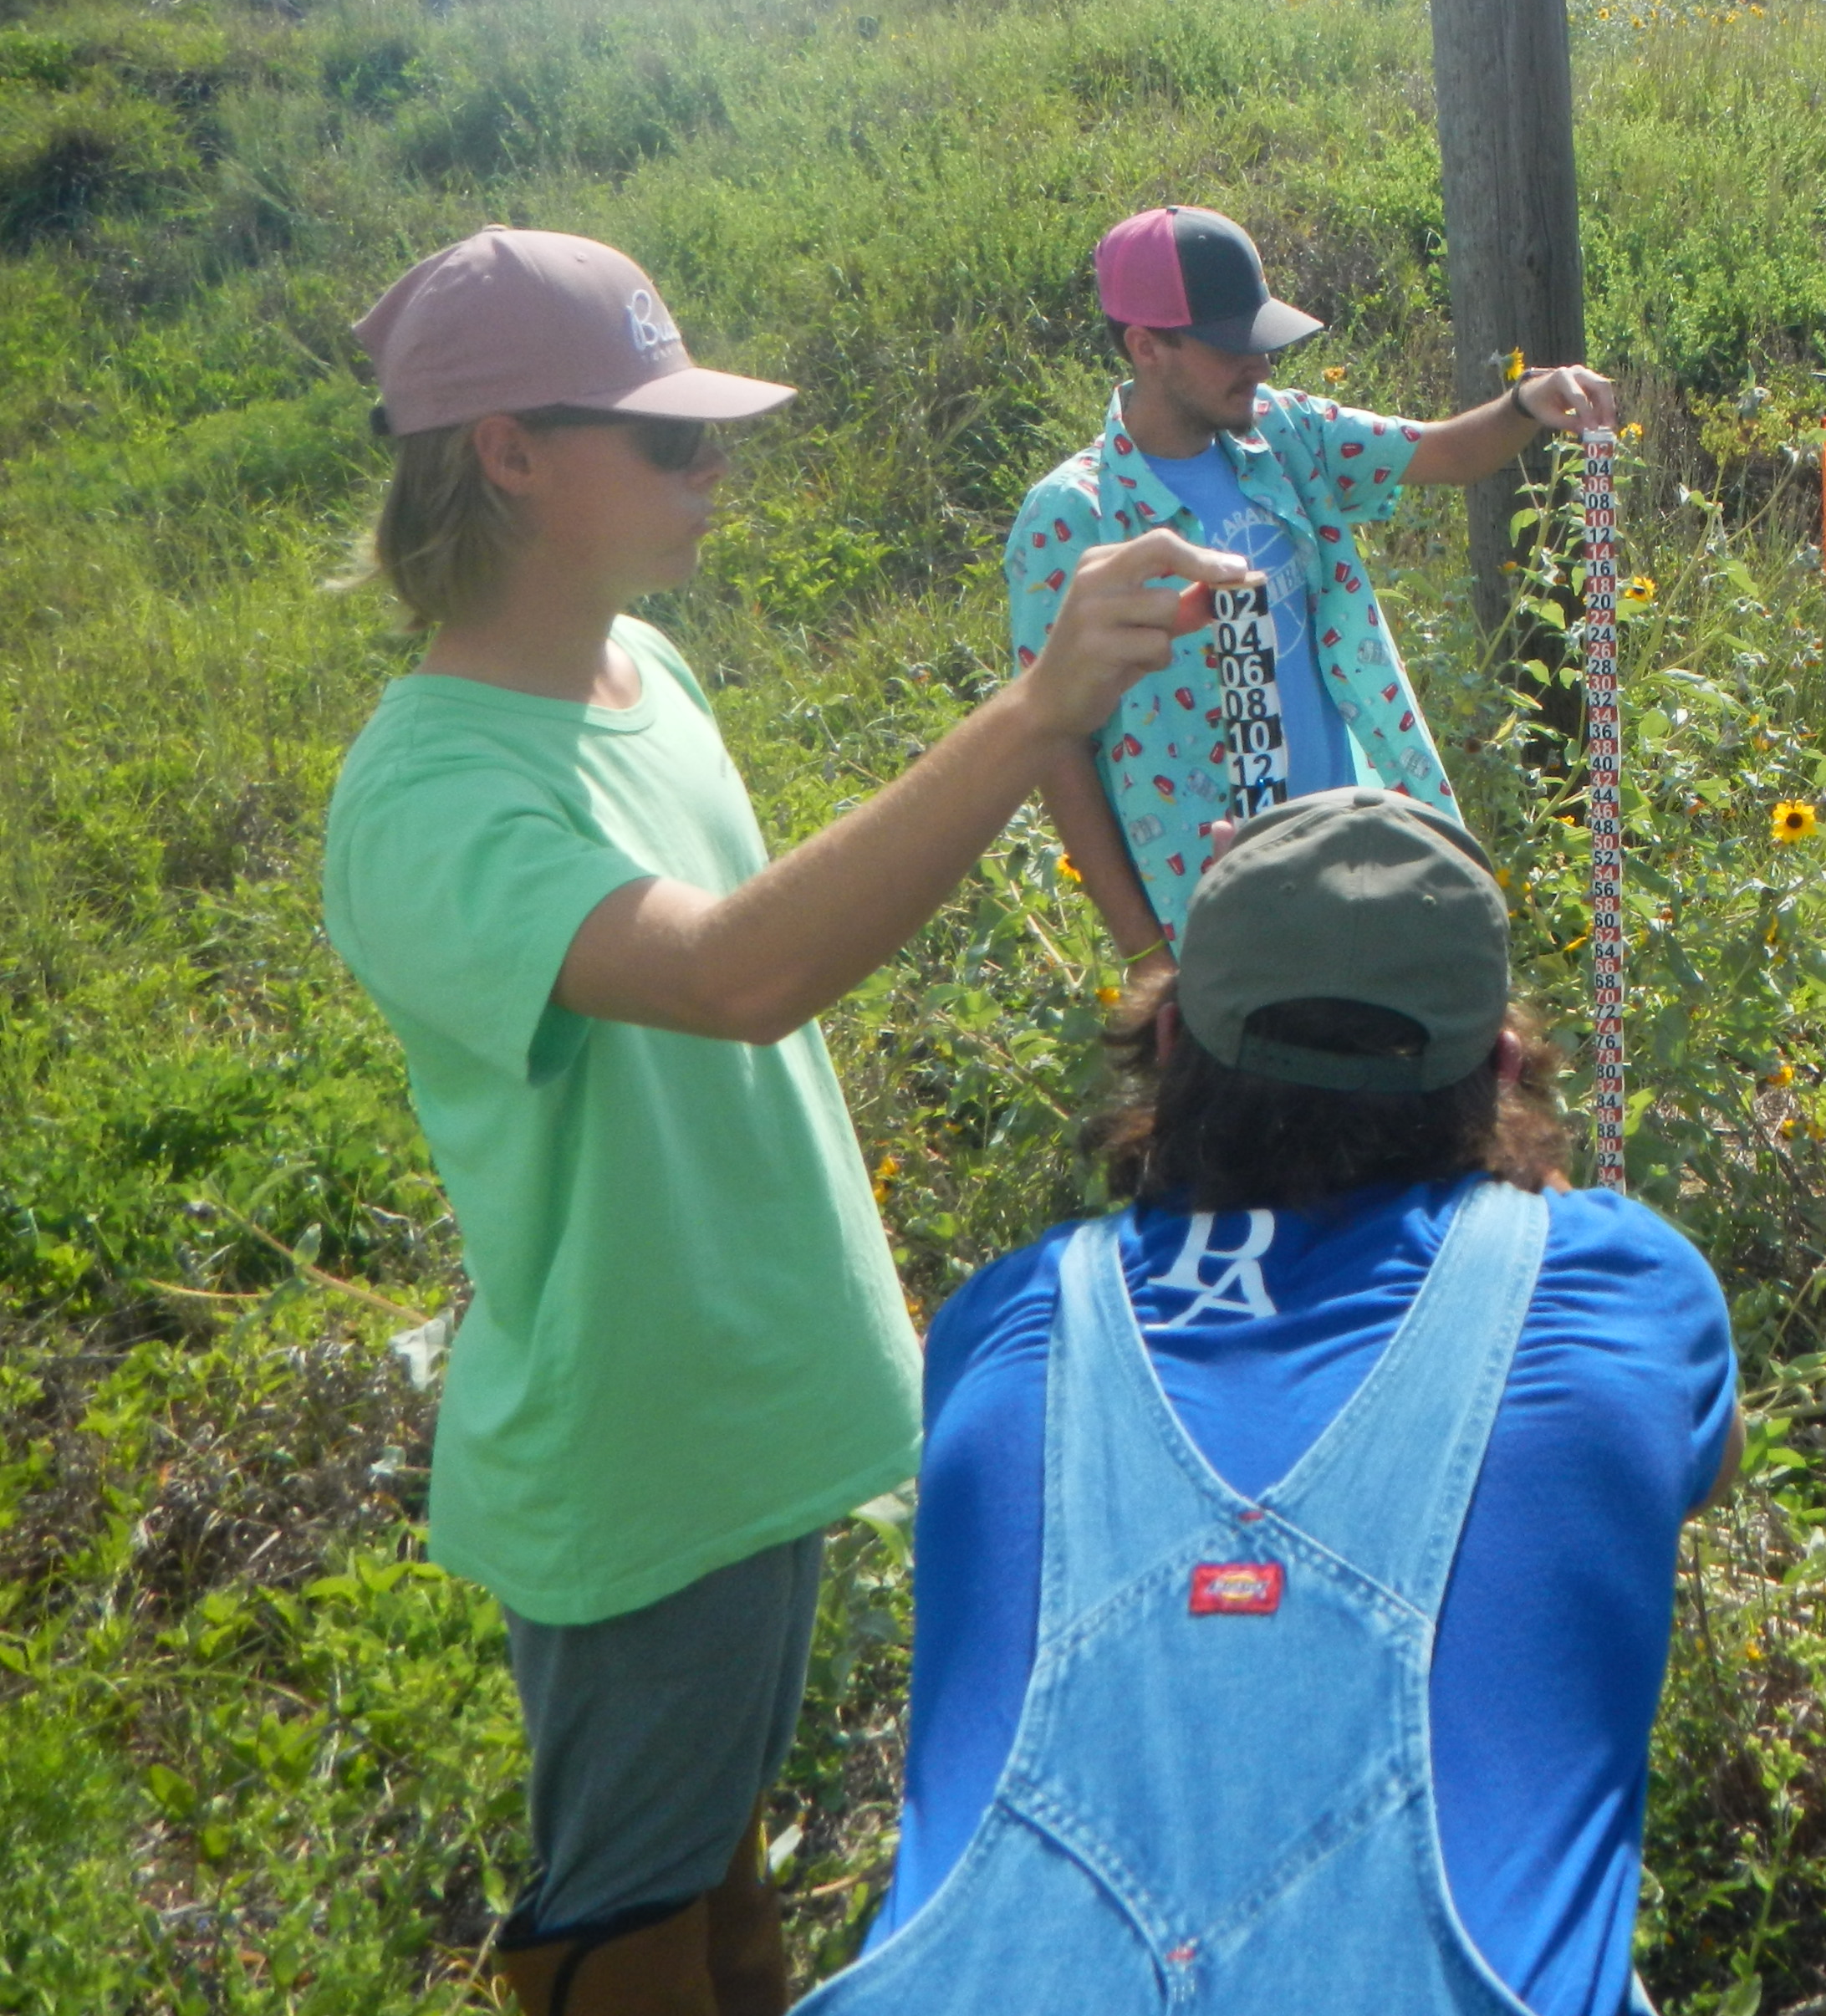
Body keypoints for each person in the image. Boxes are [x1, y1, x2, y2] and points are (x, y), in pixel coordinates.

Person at [320, 226, 1237, 2016]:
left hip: (745, 1406)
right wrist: (1038, 705)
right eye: (666, 440)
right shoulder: (426, 804)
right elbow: (736, 978)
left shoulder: (643, 676)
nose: (711, 468)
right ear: (509, 449)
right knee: (626, 1915)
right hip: (642, 1443)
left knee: (715, 1874)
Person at [811, 788, 1742, 2015]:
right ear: (1505, 1065)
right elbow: (1696, 1468)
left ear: (1171, 1042)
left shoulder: (1008, 1319)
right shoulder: (1623, 1286)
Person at [1009, 203, 1619, 962]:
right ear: (1146, 347)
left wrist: (1527, 400)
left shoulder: (1285, 433)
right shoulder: (1077, 514)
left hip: (1361, 859)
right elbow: (1055, 745)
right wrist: (1144, 959)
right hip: (1214, 913)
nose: (1259, 363)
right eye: (1231, 345)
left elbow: (1447, 455)